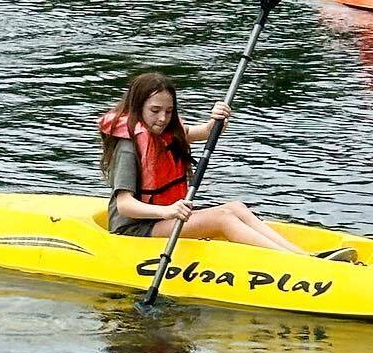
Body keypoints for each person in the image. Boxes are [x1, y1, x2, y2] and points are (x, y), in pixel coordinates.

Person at [99, 72, 349, 259]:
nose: (163, 118)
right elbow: (124, 204)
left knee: (236, 207)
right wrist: (168, 212)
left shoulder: (166, 132)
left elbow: (206, 132)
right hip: (134, 229)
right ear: (137, 108)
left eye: (168, 111)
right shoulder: (129, 146)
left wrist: (218, 119)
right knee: (222, 218)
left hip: (162, 218)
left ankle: (303, 257)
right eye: (155, 110)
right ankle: (298, 263)